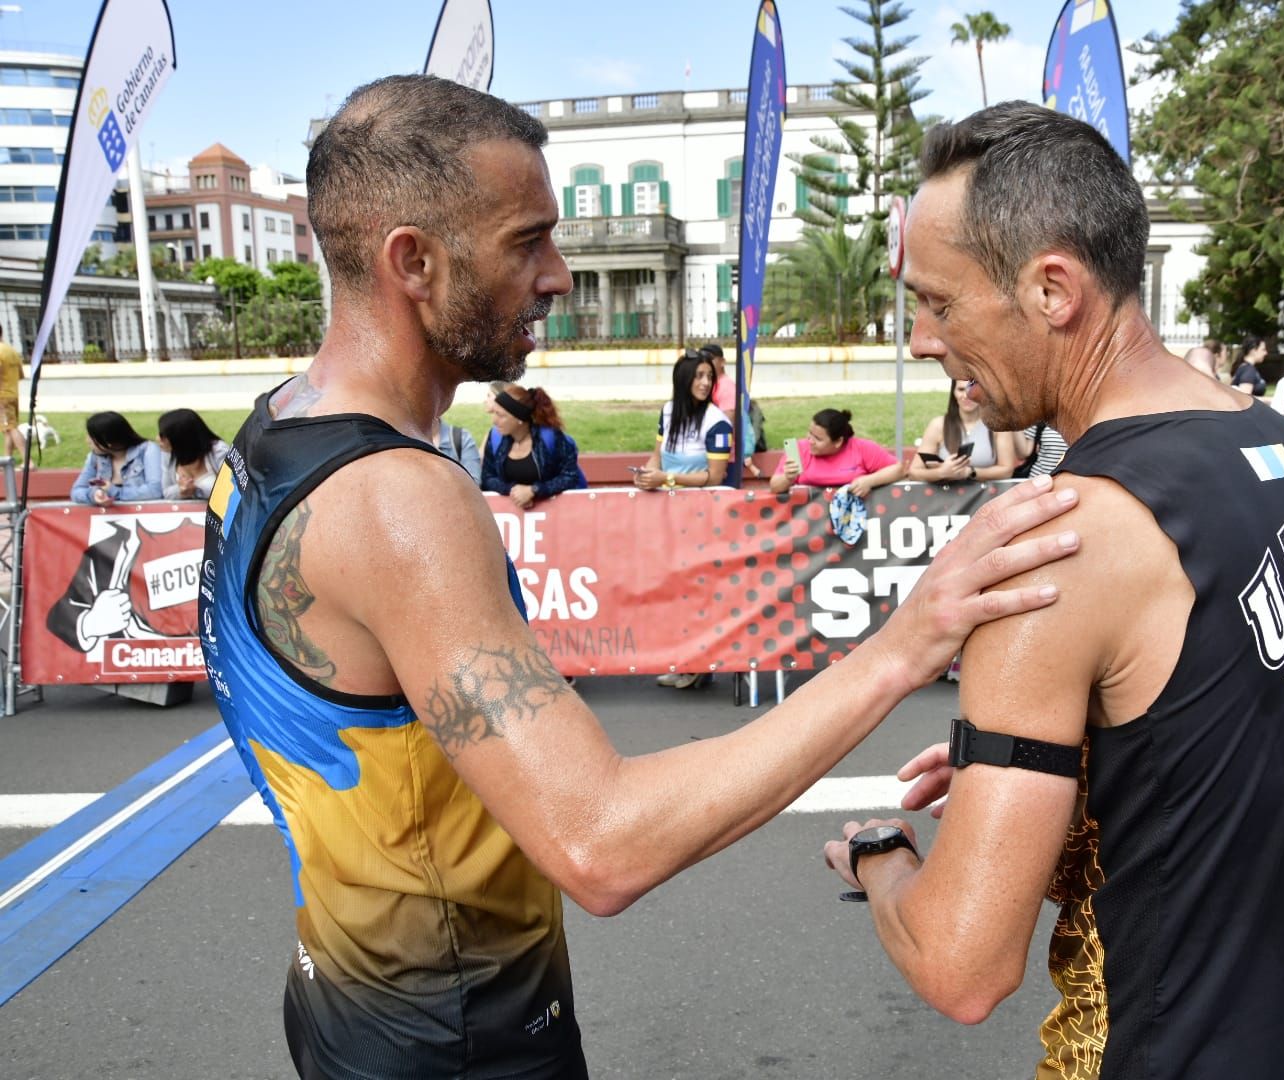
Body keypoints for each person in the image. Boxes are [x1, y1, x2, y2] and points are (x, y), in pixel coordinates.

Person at [199, 75, 1080, 1080]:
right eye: (527, 239)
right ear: (414, 261)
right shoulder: (397, 500)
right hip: (456, 1038)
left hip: (343, 1000)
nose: (561, 275)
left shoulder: (277, 423)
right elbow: (602, 844)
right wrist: (908, 640)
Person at [820, 102, 1284, 1078]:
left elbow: (962, 966)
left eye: (939, 303)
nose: (919, 340)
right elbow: (1230, 741)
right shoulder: (1272, 442)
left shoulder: (1059, 539)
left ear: (1052, 288)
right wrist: (1079, 784)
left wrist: (879, 854)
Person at [634, 350, 732, 492]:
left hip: (700, 504)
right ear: (683, 379)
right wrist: (646, 476)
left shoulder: (718, 422)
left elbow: (715, 478)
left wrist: (666, 478)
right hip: (665, 501)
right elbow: (657, 457)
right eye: (699, 376)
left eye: (710, 377)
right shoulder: (668, 410)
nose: (706, 383)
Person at [480, 384, 582, 501]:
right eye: (494, 413)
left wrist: (535, 490)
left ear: (519, 419)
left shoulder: (550, 438)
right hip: (511, 516)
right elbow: (488, 477)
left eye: (501, 415)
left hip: (555, 514)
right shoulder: (495, 438)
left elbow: (570, 476)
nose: (494, 421)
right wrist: (513, 491)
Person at [770, 408, 905, 494]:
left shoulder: (862, 448)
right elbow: (774, 487)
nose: (809, 440)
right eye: (809, 433)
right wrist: (787, 478)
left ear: (838, 442)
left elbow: (899, 470)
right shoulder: (799, 449)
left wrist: (869, 481)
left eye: (817, 438)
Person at [908, 379, 1018, 483]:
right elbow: (914, 472)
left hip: (986, 497)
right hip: (946, 499)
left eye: (972, 389)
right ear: (954, 392)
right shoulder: (938, 425)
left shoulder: (998, 424)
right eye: (961, 389)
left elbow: (1007, 470)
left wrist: (970, 472)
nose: (966, 395)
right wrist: (941, 473)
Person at [70, 412, 163, 505]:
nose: (87, 441)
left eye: (91, 437)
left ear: (107, 440)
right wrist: (94, 495)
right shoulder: (95, 457)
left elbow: (155, 490)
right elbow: (77, 491)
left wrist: (114, 492)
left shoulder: (148, 450)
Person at [698, 342, 760, 475]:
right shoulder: (711, 385)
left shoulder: (726, 387)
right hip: (714, 456)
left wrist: (722, 462)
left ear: (722, 362)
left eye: (710, 357)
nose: (706, 361)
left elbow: (727, 425)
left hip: (726, 459)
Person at [157, 409, 229, 500]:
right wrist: (180, 490)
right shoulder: (168, 453)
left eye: (162, 436)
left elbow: (232, 489)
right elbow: (166, 492)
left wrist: (197, 491)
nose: (158, 439)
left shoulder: (218, 451)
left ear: (180, 438)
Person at [0, 328, 25, 460]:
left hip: (2, 396)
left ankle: (28, 461)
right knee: (8, 429)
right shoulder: (12, 351)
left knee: (11, 428)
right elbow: (20, 375)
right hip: (13, 394)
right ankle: (7, 459)